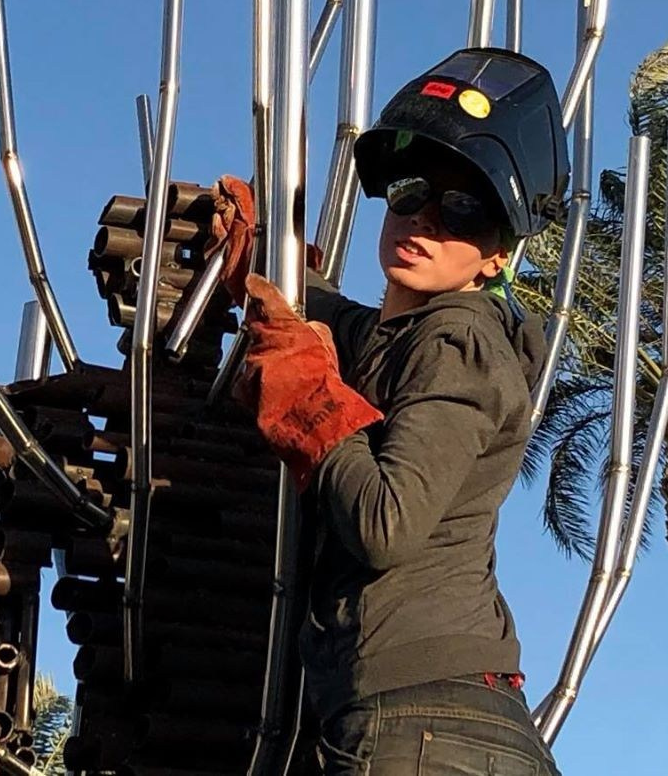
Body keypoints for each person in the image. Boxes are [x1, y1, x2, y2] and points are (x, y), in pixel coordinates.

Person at [209, 47, 568, 776]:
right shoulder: (396, 334)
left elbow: (385, 521)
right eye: (411, 191)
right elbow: (326, 319)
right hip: (447, 717)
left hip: (425, 721)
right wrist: (262, 266)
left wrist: (307, 394)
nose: (426, 219)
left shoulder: (458, 333)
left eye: (463, 208)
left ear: (497, 257)